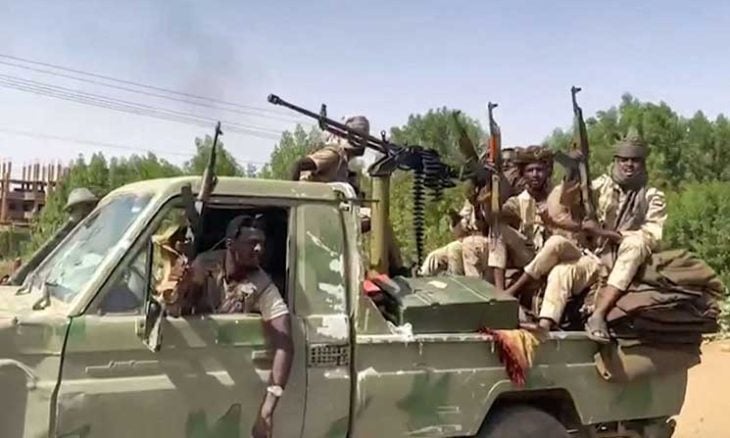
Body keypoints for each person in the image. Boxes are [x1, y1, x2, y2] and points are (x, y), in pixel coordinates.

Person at [171, 214, 293, 438]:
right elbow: (183, 309)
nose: (259, 249)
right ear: (230, 244)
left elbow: (284, 342)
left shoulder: (261, 283)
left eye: (261, 244)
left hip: (233, 369)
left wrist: (268, 407)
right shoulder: (205, 265)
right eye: (252, 243)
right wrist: (183, 286)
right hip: (194, 364)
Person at [583, 131, 666, 343]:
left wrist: (605, 233)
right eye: (624, 160)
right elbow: (572, 198)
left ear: (643, 164)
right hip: (594, 254)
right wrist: (574, 171)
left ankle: (599, 314)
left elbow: (652, 235)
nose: (629, 165)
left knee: (635, 244)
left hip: (628, 256)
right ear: (616, 162)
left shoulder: (652, 196)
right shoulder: (601, 186)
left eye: (635, 160)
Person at [488, 145, 556, 290]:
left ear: (547, 172)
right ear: (523, 174)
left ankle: (513, 291)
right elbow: (495, 215)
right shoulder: (518, 201)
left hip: (552, 255)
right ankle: (500, 291)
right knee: (497, 228)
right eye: (530, 170)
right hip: (529, 255)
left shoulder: (557, 197)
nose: (535, 175)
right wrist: (490, 190)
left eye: (539, 170)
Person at [7, 187, 98, 285]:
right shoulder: (70, 239)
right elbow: (45, 254)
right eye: (74, 211)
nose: (85, 213)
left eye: (88, 207)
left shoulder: (99, 233)